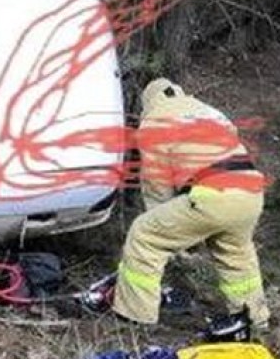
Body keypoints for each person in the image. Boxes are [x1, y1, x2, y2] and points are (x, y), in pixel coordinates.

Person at [108, 78, 269, 331]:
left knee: (145, 234)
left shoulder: (154, 122)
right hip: (250, 189)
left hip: (213, 192)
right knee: (236, 256)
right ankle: (253, 319)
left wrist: (168, 229)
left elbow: (156, 186)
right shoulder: (209, 112)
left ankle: (135, 316)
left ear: (148, 102)